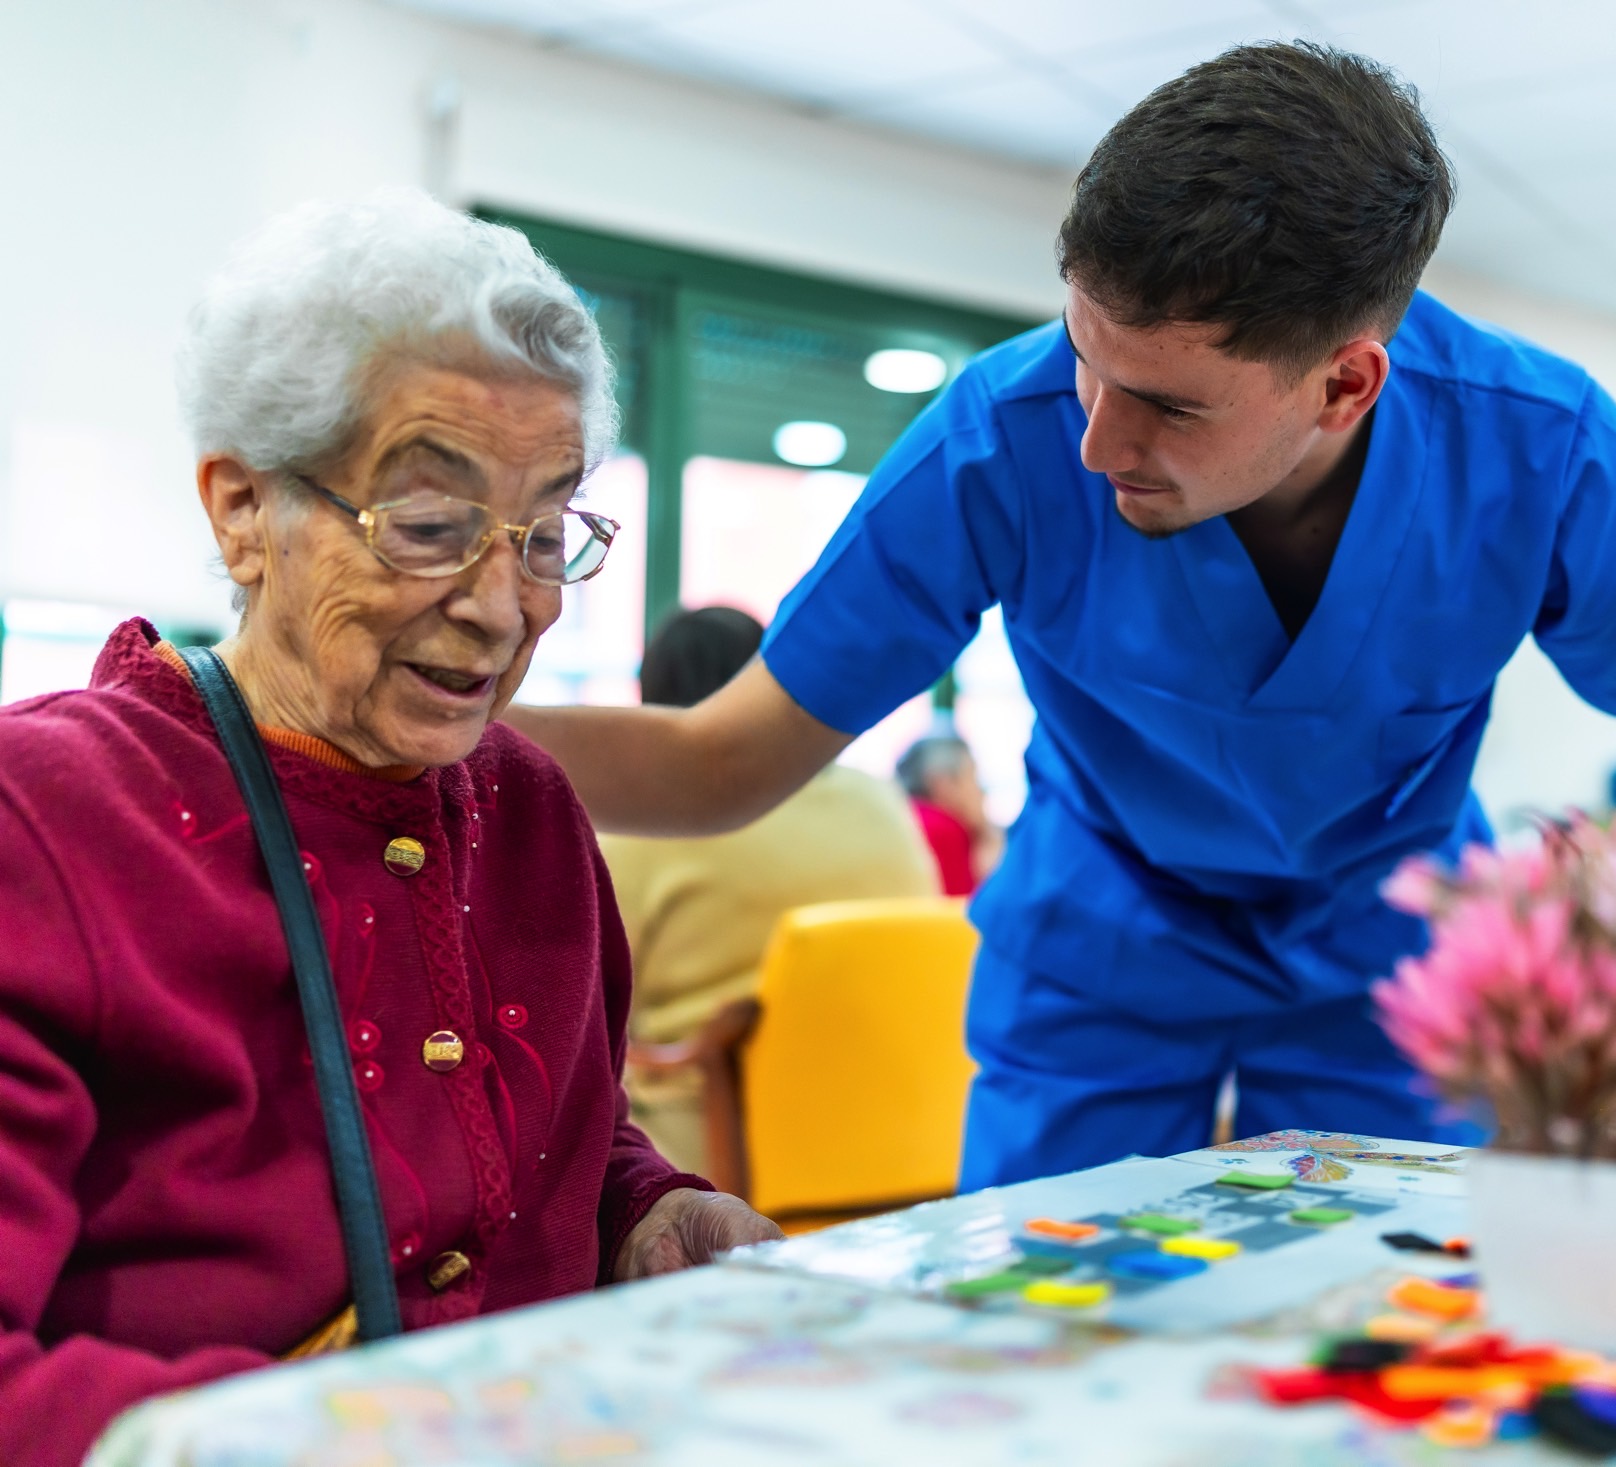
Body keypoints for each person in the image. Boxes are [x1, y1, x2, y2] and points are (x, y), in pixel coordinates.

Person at [504, 44, 1616, 1192]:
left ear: (1346, 379)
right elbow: (725, 762)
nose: (1095, 437)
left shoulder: (1533, 450)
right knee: (1039, 1324)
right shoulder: (1000, 438)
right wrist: (365, 720)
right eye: (1082, 354)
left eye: (1164, 403)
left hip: (1388, 937)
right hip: (1108, 929)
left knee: (1392, 1323)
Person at [0, 192, 777, 1467]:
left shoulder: (527, 811)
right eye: (429, 528)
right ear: (242, 509)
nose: (503, 606)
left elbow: (536, 1129)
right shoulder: (46, 820)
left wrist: (644, 1211)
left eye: (543, 535)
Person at [603, 606, 939, 1173]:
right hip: (909, 1135)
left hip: (720, 1157)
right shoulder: (881, 803)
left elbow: (585, 1000)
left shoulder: (648, 826)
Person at [895, 733, 1002, 895]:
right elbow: (966, 913)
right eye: (973, 777)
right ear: (943, 783)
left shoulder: (900, 816)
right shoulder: (945, 829)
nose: (981, 791)